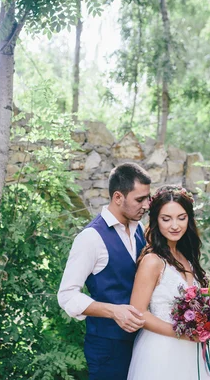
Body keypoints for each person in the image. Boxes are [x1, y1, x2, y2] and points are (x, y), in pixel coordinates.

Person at [58, 162, 152, 380]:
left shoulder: (138, 227)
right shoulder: (91, 238)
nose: (146, 205)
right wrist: (114, 311)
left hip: (142, 343)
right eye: (140, 199)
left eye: (147, 198)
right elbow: (66, 295)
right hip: (108, 348)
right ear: (118, 197)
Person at [127, 185, 210, 380]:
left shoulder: (186, 256)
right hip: (162, 350)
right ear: (156, 221)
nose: (175, 225)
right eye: (166, 219)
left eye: (181, 218)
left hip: (192, 352)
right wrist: (182, 334)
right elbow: (139, 312)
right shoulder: (153, 261)